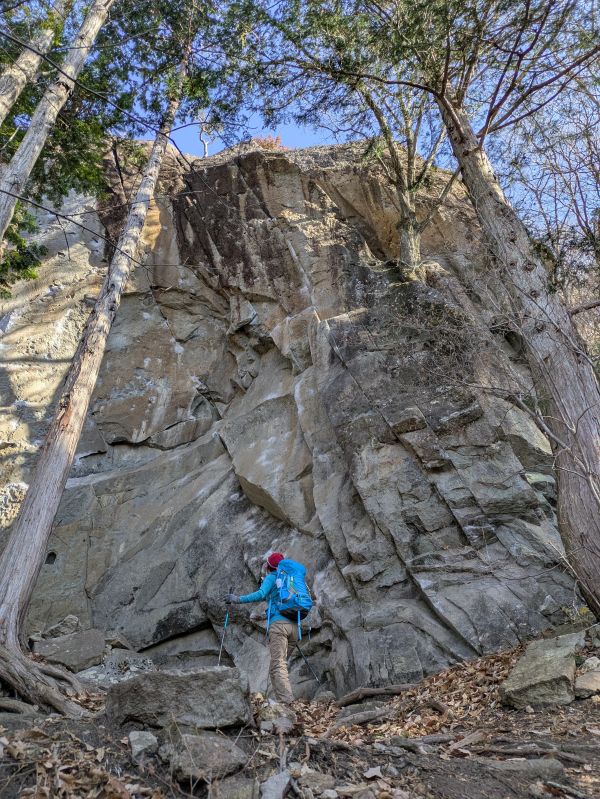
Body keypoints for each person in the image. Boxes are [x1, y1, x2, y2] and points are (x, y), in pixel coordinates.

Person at [225, 551, 298, 705]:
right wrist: (264, 617)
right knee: (277, 667)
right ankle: (285, 704)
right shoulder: (289, 579)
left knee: (278, 666)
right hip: (294, 627)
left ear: (269, 567)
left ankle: (289, 704)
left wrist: (237, 599)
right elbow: (284, 603)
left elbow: (261, 593)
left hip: (279, 627)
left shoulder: (272, 577)